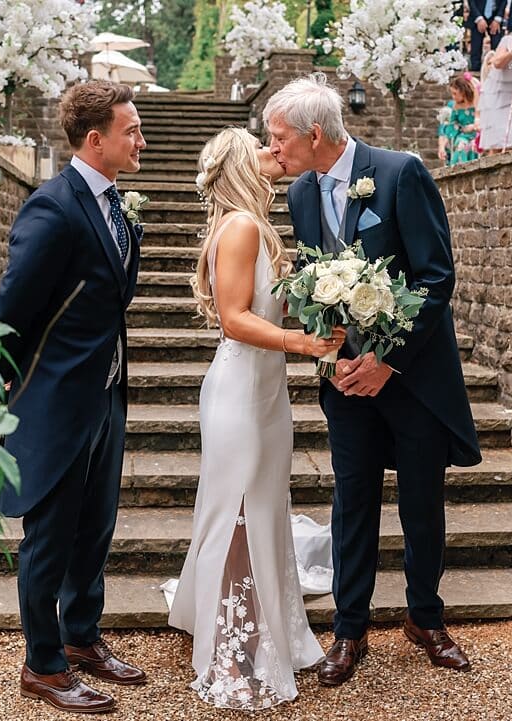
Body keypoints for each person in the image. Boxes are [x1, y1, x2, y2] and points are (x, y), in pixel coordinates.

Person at [264, 74, 483, 687]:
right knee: (350, 504)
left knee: (421, 504)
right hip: (347, 385)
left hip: (411, 380)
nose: (272, 147)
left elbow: (436, 278)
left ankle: (425, 618)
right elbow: (314, 289)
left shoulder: (400, 174)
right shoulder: (301, 195)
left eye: (279, 136)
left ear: (314, 134)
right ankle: (349, 629)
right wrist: (330, 358)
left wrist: (389, 360)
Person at [168, 129, 342, 710]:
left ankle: (256, 632)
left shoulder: (254, 225)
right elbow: (235, 320)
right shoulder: (240, 227)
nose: (274, 151)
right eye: (261, 147)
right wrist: (301, 341)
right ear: (243, 163)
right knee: (239, 517)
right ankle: (230, 656)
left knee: (262, 512)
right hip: (241, 391)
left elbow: (267, 305)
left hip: (264, 393)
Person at [0, 81, 147, 714]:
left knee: (96, 527)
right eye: (131, 130)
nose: (141, 140)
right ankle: (43, 663)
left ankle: (83, 637)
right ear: (96, 139)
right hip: (56, 399)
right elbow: (11, 308)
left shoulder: (118, 205)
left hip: (108, 394)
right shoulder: (52, 208)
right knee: (50, 535)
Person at [439, 75, 481, 166]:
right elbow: (451, 129)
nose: (453, 97)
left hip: (478, 135)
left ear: (463, 91)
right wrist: (442, 147)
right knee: (461, 145)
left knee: (474, 146)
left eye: (455, 93)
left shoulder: (477, 103)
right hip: (463, 136)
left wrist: (474, 127)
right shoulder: (455, 107)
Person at [468, 0, 509, 71]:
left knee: (497, 47)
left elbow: (504, 2)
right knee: (476, 47)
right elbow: (471, 2)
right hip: (477, 16)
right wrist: (479, 19)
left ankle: (495, 71)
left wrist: (497, 19)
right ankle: (475, 72)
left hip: (495, 16)